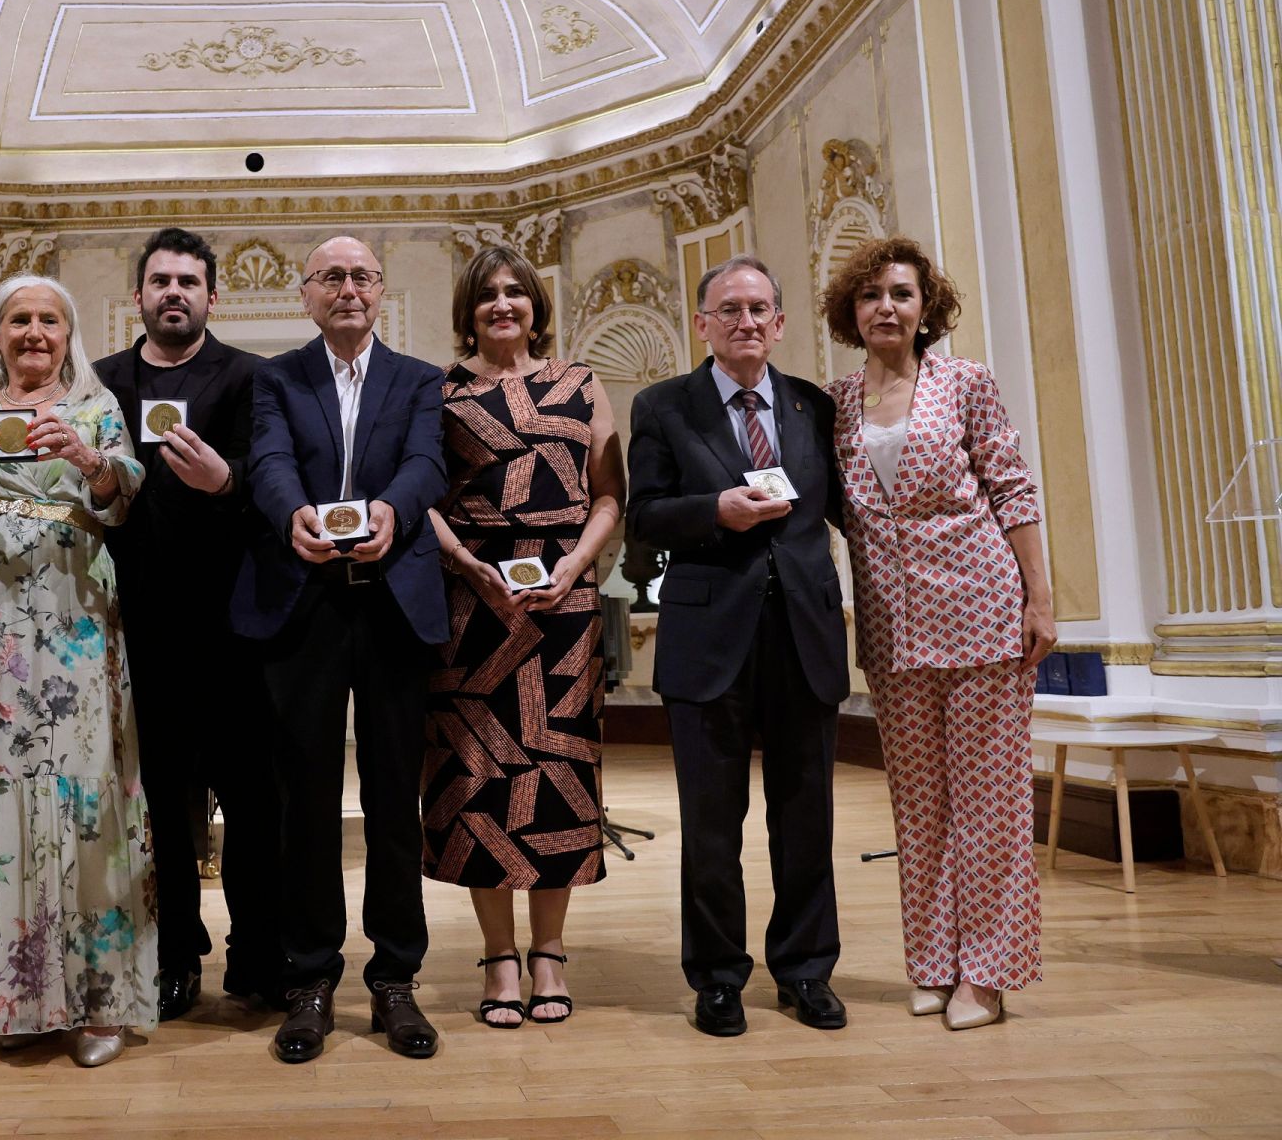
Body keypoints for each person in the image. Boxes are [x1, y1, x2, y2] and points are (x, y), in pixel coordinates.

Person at [0, 273, 155, 1068]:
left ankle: (97, 1002)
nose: (34, 332)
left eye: (50, 319)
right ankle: (7, 997)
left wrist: (88, 458)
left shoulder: (96, 407)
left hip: (74, 621)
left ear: (68, 334)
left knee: (81, 791)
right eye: (19, 319)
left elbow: (126, 494)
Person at [818, 236, 1054, 1032]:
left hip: (981, 609)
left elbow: (1012, 489)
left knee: (989, 805)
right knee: (917, 806)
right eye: (871, 295)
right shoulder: (836, 402)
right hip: (893, 626)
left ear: (926, 308)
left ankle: (986, 976)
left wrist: (1040, 600)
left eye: (902, 294)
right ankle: (932, 962)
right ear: (851, 311)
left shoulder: (965, 382)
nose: (886, 307)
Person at [232, 235, 448, 1063]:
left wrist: (394, 509)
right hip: (307, 604)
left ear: (380, 290)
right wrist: (292, 514)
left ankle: (395, 979)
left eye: (361, 276)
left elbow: (427, 461)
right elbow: (269, 460)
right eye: (331, 276)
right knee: (306, 802)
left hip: (394, 604)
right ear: (307, 293)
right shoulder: (275, 378)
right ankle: (310, 979)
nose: (348, 288)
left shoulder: (420, 379)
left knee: (395, 801)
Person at [626, 254, 849, 1038]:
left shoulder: (813, 406)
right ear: (703, 325)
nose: (745, 322)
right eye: (729, 310)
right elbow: (644, 516)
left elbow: (851, 511)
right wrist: (714, 509)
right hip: (708, 637)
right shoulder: (663, 406)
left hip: (805, 634)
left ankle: (806, 970)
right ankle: (718, 977)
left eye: (759, 309)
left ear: (779, 323)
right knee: (713, 824)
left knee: (807, 817)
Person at [421, 245, 625, 1029]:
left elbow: (608, 495)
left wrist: (574, 564)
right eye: (487, 295)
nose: (502, 304)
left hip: (562, 605)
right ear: (468, 312)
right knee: (478, 781)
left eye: (516, 292)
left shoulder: (580, 384)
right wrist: (465, 563)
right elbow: (419, 494)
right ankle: (499, 957)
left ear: (536, 306)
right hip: (473, 606)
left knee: (557, 773)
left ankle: (550, 953)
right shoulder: (442, 392)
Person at [95, 228, 282, 1018]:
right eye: (161, 281)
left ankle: (258, 952)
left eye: (189, 282)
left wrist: (226, 481)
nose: (175, 292)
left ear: (212, 296)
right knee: (163, 809)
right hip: (136, 631)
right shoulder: (101, 383)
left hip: (236, 630)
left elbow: (274, 487)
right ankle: (176, 954)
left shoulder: (252, 378)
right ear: (138, 295)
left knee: (254, 801)